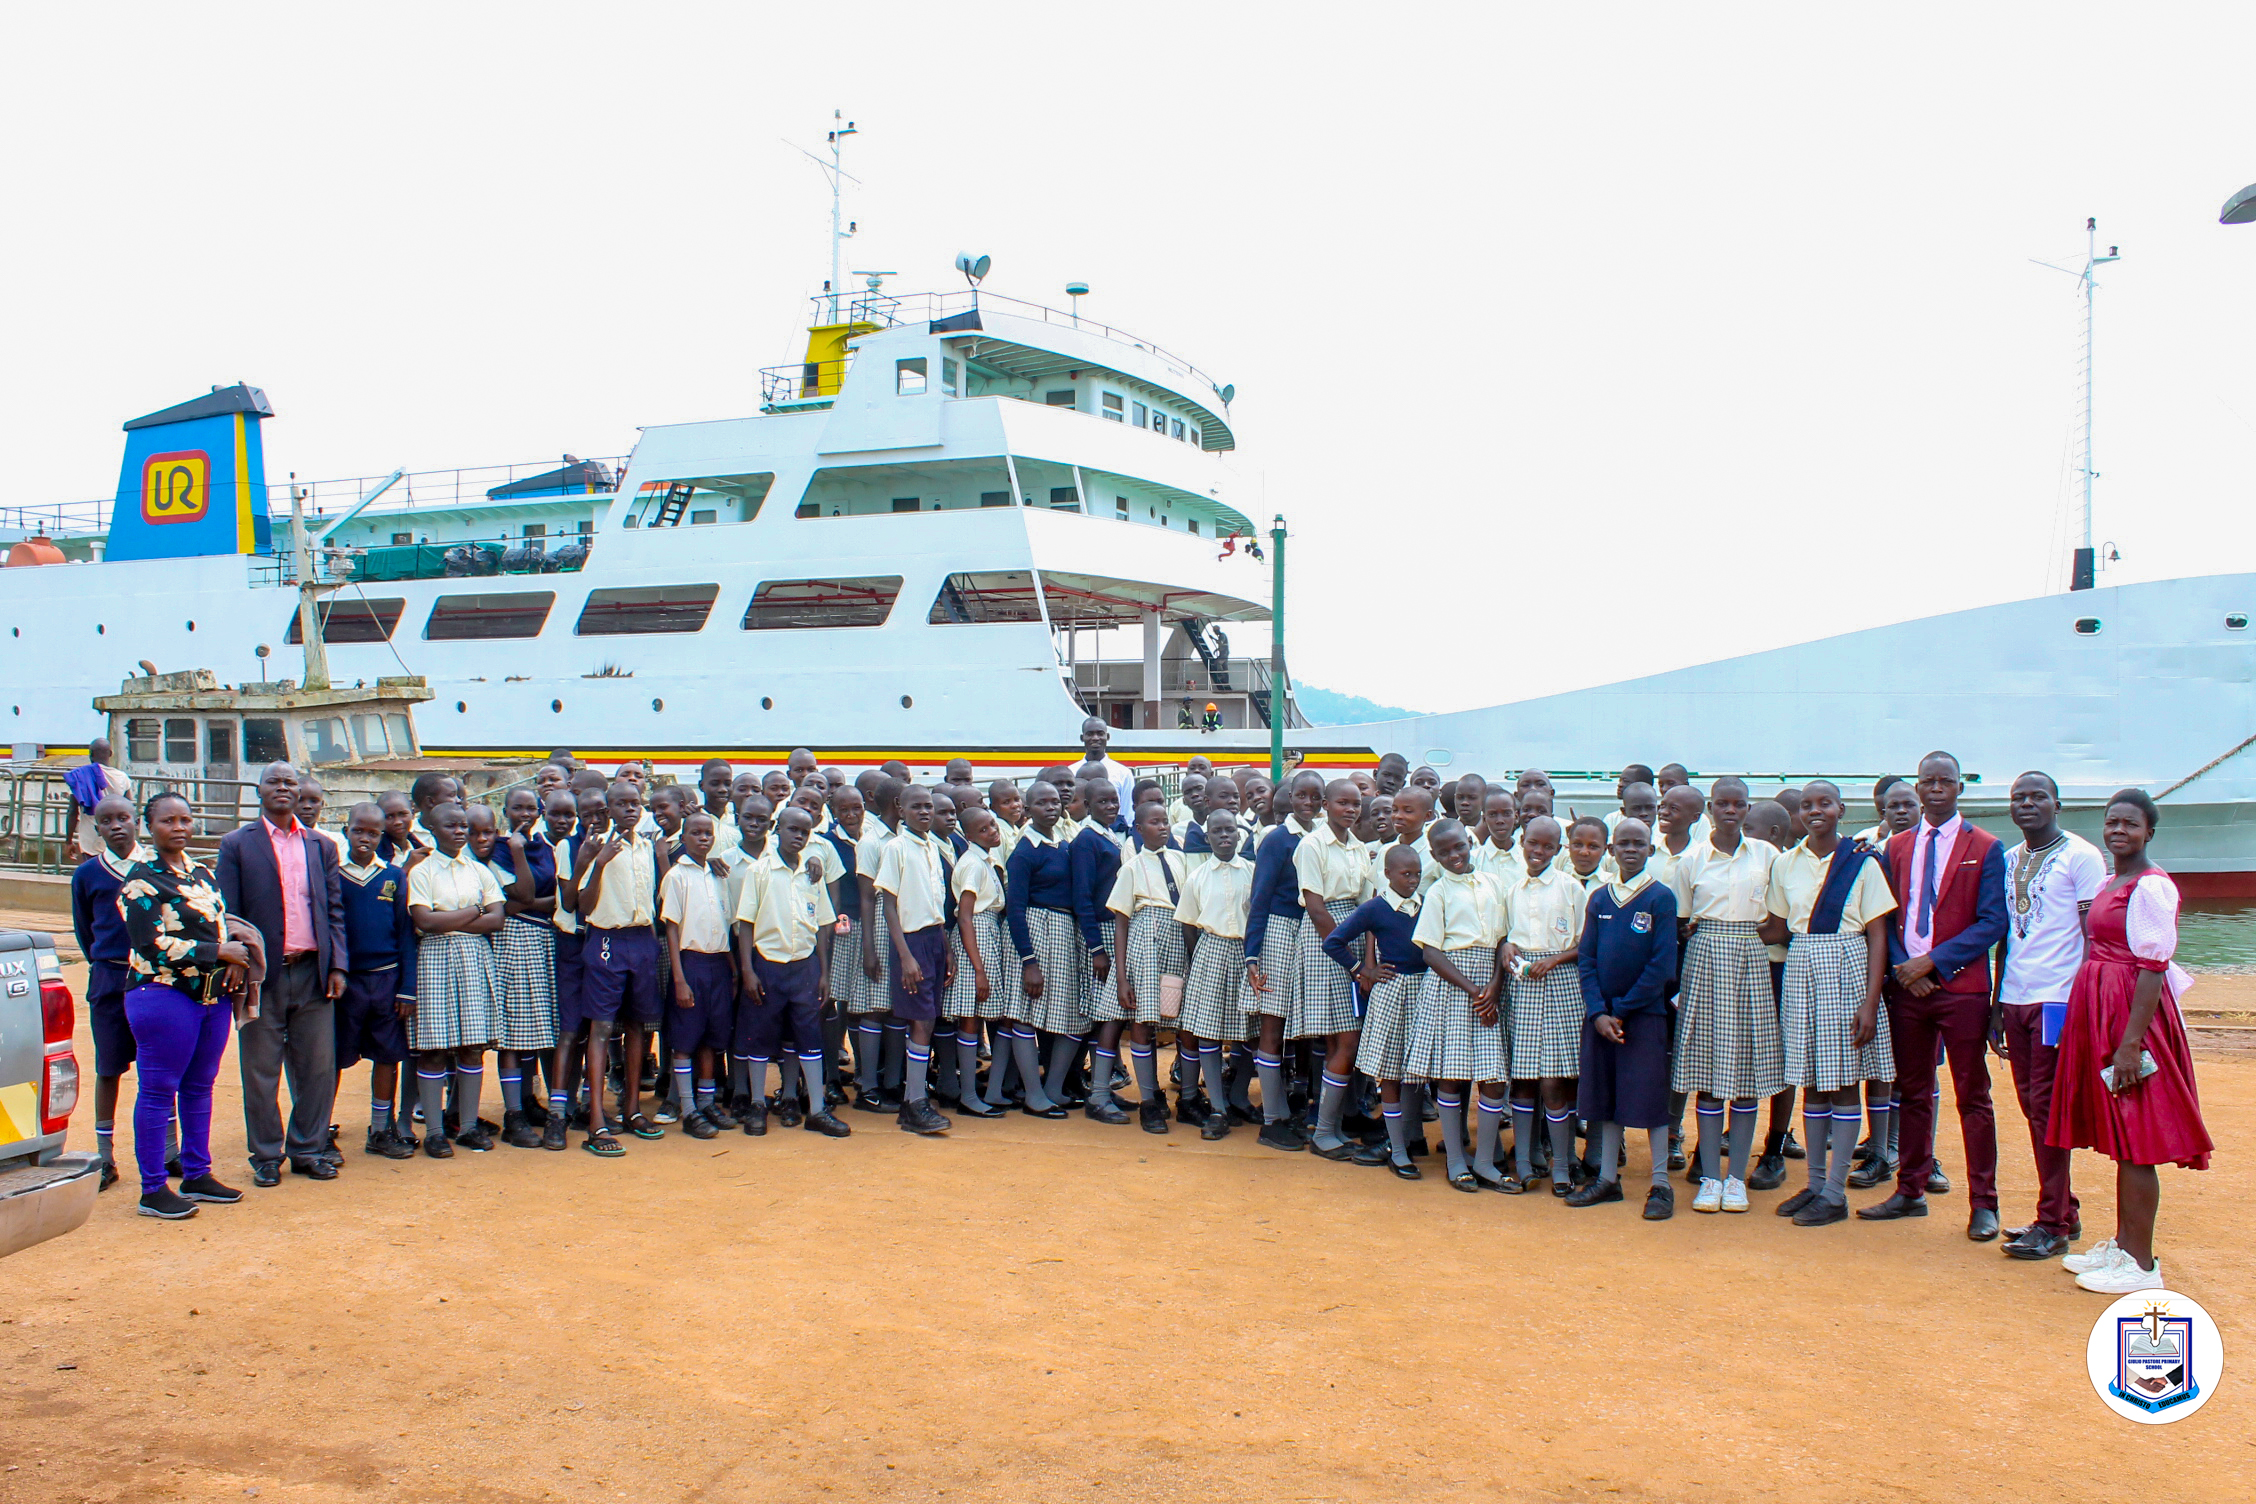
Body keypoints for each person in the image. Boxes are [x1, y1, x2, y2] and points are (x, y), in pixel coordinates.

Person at [2048, 790, 2212, 1294]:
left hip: (2131, 1018)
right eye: (2112, 822)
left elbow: (2153, 966)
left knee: (2137, 1138)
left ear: (2149, 833)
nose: (2118, 831)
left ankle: (2141, 1265)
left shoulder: (2151, 887)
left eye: (2130, 824)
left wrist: (2130, 1044)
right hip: (2103, 1009)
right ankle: (2123, 1244)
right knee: (2122, 1137)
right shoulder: (2111, 881)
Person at [1862, 751, 2008, 1239]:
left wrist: (1935, 962)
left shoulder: (1985, 846)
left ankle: (1984, 1203)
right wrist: (1906, 966)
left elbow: (1992, 921)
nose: (1937, 788)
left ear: (1960, 787)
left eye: (1946, 781)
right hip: (1909, 988)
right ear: (1918, 787)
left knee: (1973, 1096)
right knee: (1912, 1091)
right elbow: (1885, 916)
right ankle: (1910, 1190)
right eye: (1929, 781)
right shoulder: (1896, 846)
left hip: (1962, 989)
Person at [1761, 781, 1897, 1227]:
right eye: (1806, 805)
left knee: (1842, 1081)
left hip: (1847, 966)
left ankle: (1836, 1192)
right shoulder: (1786, 864)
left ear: (1842, 809)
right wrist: (1716, 929)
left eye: (1824, 804)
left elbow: (1877, 934)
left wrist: (1870, 1002)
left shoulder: (1862, 862)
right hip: (1802, 967)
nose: (1814, 811)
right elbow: (1778, 928)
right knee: (1812, 1081)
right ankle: (1816, 1183)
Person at [1989, 771, 2108, 1261]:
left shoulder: (2081, 856)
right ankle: (2065, 1209)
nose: (2027, 804)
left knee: (2045, 1109)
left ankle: (2053, 1223)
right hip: (2016, 997)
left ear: (2057, 804)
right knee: (2031, 1106)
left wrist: (2084, 1000)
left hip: (2058, 1000)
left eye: (2038, 796)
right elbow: (2005, 936)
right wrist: (1996, 1004)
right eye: (2019, 797)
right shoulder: (2009, 859)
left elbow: (2094, 934)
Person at [118, 791, 254, 1219]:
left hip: (210, 996)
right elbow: (149, 944)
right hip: (162, 994)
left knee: (200, 1086)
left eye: (185, 819)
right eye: (168, 821)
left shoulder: (202, 874)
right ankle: (152, 1188)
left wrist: (231, 963)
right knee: (158, 1090)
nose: (178, 827)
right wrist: (218, 952)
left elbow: (220, 924)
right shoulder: (141, 880)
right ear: (149, 827)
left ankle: (197, 1173)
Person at [215, 761, 348, 1187]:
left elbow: (333, 910)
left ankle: (308, 1149)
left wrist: (337, 964)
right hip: (262, 975)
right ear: (259, 790)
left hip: (313, 971)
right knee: (260, 1070)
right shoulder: (237, 844)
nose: (283, 788)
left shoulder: (321, 846)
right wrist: (236, 965)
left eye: (290, 782)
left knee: (318, 1068)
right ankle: (266, 1155)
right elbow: (227, 913)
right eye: (273, 781)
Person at [1665, 776, 1781, 1214]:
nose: (1731, 811)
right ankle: (1710, 1176)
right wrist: (1704, 937)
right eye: (1723, 804)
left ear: (1748, 809)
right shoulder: (1691, 860)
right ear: (1710, 809)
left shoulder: (1768, 856)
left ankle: (1736, 1180)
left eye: (1739, 804)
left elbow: (1780, 918)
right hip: (1705, 961)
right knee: (1709, 1073)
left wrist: (1745, 939)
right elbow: (1681, 921)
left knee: (1746, 1074)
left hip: (1751, 957)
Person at [1570, 817, 1678, 1215]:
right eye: (1624, 843)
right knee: (1607, 1095)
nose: (1631, 849)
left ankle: (1661, 1185)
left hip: (1644, 1015)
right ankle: (1607, 1180)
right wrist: (1599, 1012)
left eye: (1639, 843)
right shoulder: (1600, 898)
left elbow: (1662, 965)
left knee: (1650, 1098)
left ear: (1651, 849)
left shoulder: (1660, 897)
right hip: (1602, 1020)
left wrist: (1622, 1010)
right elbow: (1587, 959)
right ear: (1612, 850)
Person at [1403, 820, 1510, 1193]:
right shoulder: (1438, 891)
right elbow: (1431, 952)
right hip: (1453, 985)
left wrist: (1494, 985)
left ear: (1469, 842)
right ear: (1434, 856)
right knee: (1451, 1074)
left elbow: (1503, 940)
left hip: (1489, 983)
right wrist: (1475, 990)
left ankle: (1484, 1162)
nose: (1455, 856)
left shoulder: (1493, 883)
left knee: (1494, 1078)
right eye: (1445, 852)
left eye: (1459, 847)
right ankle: (1455, 1163)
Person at [735, 804, 847, 1139]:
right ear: (777, 830)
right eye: (792, 829)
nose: (798, 836)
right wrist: (748, 970)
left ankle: (816, 1110)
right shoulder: (760, 871)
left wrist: (824, 973)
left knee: (809, 1036)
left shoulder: (812, 874)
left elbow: (823, 925)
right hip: (768, 965)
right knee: (760, 1036)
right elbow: (745, 924)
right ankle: (757, 1105)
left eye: (804, 831)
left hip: (805, 967)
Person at [71, 793, 165, 1191]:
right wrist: (105, 963)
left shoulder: (156, 868)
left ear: (137, 822)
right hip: (110, 978)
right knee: (109, 1067)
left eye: (123, 818)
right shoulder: (88, 875)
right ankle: (105, 1156)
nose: (116, 826)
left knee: (160, 1068)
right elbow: (85, 931)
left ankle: (168, 1152)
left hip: (154, 977)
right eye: (107, 821)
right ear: (97, 828)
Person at [405, 801, 506, 1159]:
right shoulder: (422, 872)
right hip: (434, 958)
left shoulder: (479, 870)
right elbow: (424, 921)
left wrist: (450, 917)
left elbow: (497, 919)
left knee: (472, 1045)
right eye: (451, 826)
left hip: (474, 957)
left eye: (463, 825)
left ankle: (467, 1127)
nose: (461, 831)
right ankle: (434, 1132)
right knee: (434, 1047)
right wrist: (475, 910)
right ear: (432, 830)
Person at [1329, 843, 1429, 1177]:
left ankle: (1409, 1138)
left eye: (1417, 874)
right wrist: (1363, 970)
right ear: (1387, 874)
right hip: (1392, 993)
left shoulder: (1427, 904)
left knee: (1416, 1071)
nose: (1412, 880)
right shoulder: (1375, 908)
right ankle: (1397, 1151)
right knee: (1390, 1072)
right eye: (1405, 874)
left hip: (1424, 992)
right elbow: (1333, 941)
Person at [1502, 814, 1589, 1195]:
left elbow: (1586, 943)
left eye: (1547, 846)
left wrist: (1554, 959)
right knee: (1523, 1079)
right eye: (1532, 843)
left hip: (1560, 983)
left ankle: (1562, 1163)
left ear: (1558, 849)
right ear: (1522, 841)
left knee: (1554, 1079)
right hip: (1523, 986)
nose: (1538, 851)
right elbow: (1504, 935)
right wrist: (1507, 946)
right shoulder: (1513, 889)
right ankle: (1524, 1162)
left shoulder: (1571, 888)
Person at [574, 779, 663, 1153]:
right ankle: (597, 1121)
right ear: (607, 810)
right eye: (621, 804)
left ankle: (632, 1110)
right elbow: (583, 905)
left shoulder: (646, 846)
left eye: (635, 803)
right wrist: (598, 863)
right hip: (608, 940)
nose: (630, 809)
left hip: (642, 940)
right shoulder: (596, 846)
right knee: (602, 1027)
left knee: (638, 1026)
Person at [1241, 769, 1324, 1150]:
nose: (1308, 803)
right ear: (1289, 799)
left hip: (1308, 934)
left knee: (1304, 1026)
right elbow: (1260, 896)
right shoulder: (1277, 839)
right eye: (1301, 795)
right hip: (1277, 931)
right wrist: (1252, 953)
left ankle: (1289, 1110)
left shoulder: (1320, 836)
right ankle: (1271, 1119)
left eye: (1315, 797)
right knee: (1272, 1026)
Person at [333, 801, 418, 1161]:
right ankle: (320, 1131)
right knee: (333, 1058)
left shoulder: (393, 876)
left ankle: (380, 1129)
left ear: (382, 836)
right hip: (346, 982)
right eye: (358, 831)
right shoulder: (334, 875)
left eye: (373, 833)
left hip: (387, 980)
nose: (365, 838)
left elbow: (405, 933)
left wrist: (408, 988)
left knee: (388, 1056)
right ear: (346, 832)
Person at [1101, 801, 1191, 1134]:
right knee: (1143, 1020)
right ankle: (1150, 1100)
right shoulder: (1131, 868)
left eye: (1165, 821)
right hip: (1145, 945)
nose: (1163, 827)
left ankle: (1189, 1097)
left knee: (1182, 1020)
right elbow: (1121, 922)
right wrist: (1122, 976)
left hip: (1176, 942)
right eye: (1154, 823)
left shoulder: (1179, 860)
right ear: (1139, 830)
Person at [1294, 779, 1372, 1158]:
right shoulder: (1312, 845)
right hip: (1326, 941)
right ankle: (1324, 1132)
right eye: (1343, 802)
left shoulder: (1359, 848)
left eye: (1356, 804)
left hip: (1353, 932)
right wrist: (1353, 962)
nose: (1351, 809)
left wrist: (1365, 959)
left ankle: (1333, 1126)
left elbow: (1367, 904)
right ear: (1325, 805)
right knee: (1345, 1038)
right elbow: (1315, 907)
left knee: (1342, 1039)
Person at [874, 783, 955, 1136]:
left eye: (928, 807)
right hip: (911, 942)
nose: (924, 812)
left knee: (929, 1019)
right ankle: (916, 1102)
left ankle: (912, 1102)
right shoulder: (896, 848)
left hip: (934, 938)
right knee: (920, 1021)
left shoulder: (932, 847)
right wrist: (905, 955)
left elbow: (935, 905)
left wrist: (946, 947)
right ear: (901, 809)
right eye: (917, 806)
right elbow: (889, 905)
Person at [1175, 809, 1257, 1140]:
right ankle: (1218, 1109)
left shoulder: (1252, 872)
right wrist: (1200, 956)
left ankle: (1239, 1096)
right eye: (1217, 831)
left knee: (1249, 1029)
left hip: (1247, 954)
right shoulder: (1197, 877)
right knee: (1208, 1031)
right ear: (1207, 837)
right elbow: (1188, 923)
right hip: (1210, 951)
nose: (1224, 836)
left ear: (1239, 834)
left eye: (1230, 830)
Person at [486, 791, 561, 1147]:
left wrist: (529, 903)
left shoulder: (545, 847)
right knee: (515, 1029)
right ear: (505, 811)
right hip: (514, 940)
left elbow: (552, 900)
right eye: (517, 808)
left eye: (531, 808)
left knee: (538, 1027)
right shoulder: (500, 850)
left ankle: (529, 1101)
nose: (525, 814)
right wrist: (517, 851)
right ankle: (513, 1114)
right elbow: (526, 895)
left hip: (544, 938)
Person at [1004, 777, 1083, 1117]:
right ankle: (1034, 1095)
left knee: (1070, 1017)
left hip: (1063, 932)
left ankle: (1053, 1088)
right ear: (1027, 809)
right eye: (1041, 803)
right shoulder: (1024, 851)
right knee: (1025, 1014)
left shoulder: (1063, 844)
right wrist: (1028, 961)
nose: (1051, 807)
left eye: (1055, 802)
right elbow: (1015, 908)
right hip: (1035, 931)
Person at [945, 804, 1010, 1121]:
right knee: (970, 1017)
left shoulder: (986, 861)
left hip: (989, 934)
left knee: (985, 1014)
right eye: (983, 829)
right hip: (977, 938)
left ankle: (990, 1091)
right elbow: (966, 918)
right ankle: (968, 1096)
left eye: (993, 825)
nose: (992, 832)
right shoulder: (972, 864)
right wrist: (978, 969)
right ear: (968, 836)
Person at [1069, 782, 1129, 1120]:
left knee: (1110, 1017)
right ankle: (1098, 1096)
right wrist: (1096, 949)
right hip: (1100, 935)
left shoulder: (1110, 835)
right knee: (1105, 1015)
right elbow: (1082, 898)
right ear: (1087, 804)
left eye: (1114, 801)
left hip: (1115, 931)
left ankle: (1100, 1086)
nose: (1110, 806)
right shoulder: (1086, 840)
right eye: (1102, 801)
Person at [63, 735, 133, 861]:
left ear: (91, 755)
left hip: (90, 839)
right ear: (110, 754)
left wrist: (68, 841)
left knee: (92, 871)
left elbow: (72, 811)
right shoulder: (122, 777)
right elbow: (130, 809)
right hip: (116, 834)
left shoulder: (80, 777)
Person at [1073, 716, 1136, 811]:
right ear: (1082, 738)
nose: (1095, 738)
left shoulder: (1123, 773)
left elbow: (1127, 812)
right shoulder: (1072, 771)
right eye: (1090, 734)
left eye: (1100, 733)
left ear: (1108, 737)